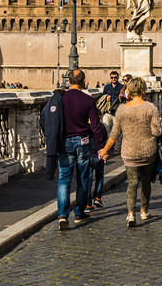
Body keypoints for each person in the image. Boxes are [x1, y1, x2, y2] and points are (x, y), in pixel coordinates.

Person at [99, 76, 162, 227]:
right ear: (143, 89)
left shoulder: (122, 109)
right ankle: (144, 210)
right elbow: (157, 131)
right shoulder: (150, 108)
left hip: (129, 152)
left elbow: (115, 134)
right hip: (147, 151)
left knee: (132, 183)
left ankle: (130, 214)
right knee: (146, 181)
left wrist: (105, 150)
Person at [53, 69, 106, 230]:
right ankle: (79, 212)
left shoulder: (61, 98)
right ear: (84, 82)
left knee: (64, 179)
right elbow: (96, 126)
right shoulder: (88, 100)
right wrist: (102, 146)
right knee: (83, 178)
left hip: (64, 141)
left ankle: (63, 215)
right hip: (83, 141)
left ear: (69, 81)